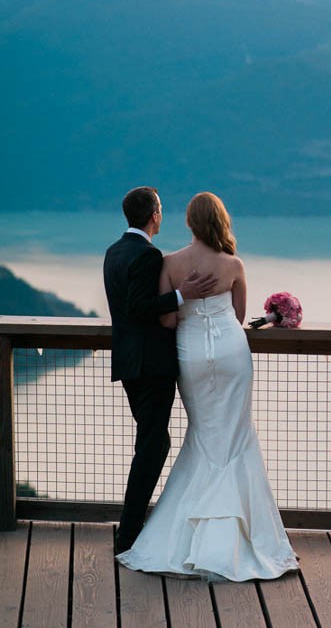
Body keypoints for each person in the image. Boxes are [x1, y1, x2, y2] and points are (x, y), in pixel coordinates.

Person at [116, 192, 299, 581]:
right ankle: (244, 536)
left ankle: (185, 536)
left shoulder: (169, 263)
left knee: (203, 434)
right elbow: (238, 315)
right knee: (236, 436)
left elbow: (166, 321)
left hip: (192, 354)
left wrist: (189, 313)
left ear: (189, 222)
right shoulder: (233, 264)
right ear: (221, 220)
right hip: (233, 354)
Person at [104, 186, 218, 554]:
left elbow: (124, 308)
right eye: (161, 210)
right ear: (154, 215)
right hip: (151, 364)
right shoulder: (147, 255)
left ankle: (133, 526)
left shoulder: (114, 251)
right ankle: (129, 534)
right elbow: (140, 308)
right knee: (154, 445)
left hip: (127, 362)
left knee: (150, 441)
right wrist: (183, 295)